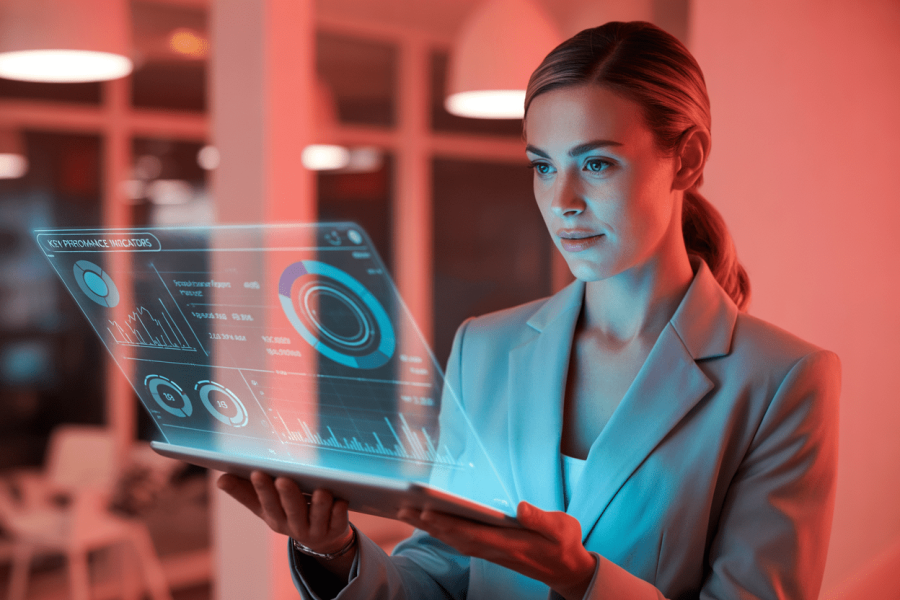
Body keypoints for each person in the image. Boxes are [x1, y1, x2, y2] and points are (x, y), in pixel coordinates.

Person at [217, 21, 840, 600]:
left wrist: (579, 578)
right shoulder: (484, 347)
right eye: (543, 166)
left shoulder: (782, 381)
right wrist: (333, 550)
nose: (563, 199)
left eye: (596, 163)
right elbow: (441, 572)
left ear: (689, 158)